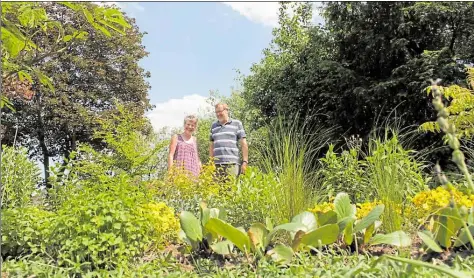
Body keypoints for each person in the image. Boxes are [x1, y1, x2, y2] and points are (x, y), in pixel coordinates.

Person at [209, 103, 248, 178]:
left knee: (231, 188)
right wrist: (211, 162)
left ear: (227, 110)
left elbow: (244, 144)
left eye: (220, 111)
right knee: (216, 189)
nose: (218, 114)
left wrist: (245, 161)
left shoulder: (237, 124)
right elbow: (211, 145)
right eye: (216, 112)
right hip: (216, 165)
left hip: (232, 164)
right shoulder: (213, 126)